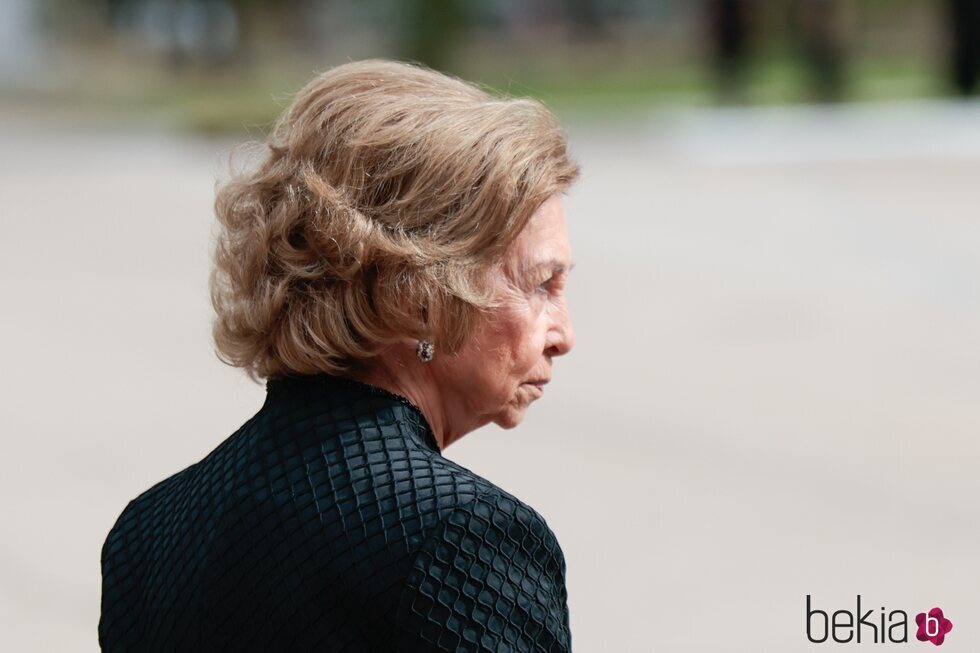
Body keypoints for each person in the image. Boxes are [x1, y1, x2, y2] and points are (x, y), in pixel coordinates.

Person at [99, 59, 579, 652]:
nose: (564, 333)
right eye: (540, 285)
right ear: (424, 292)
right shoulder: (465, 539)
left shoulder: (151, 531)